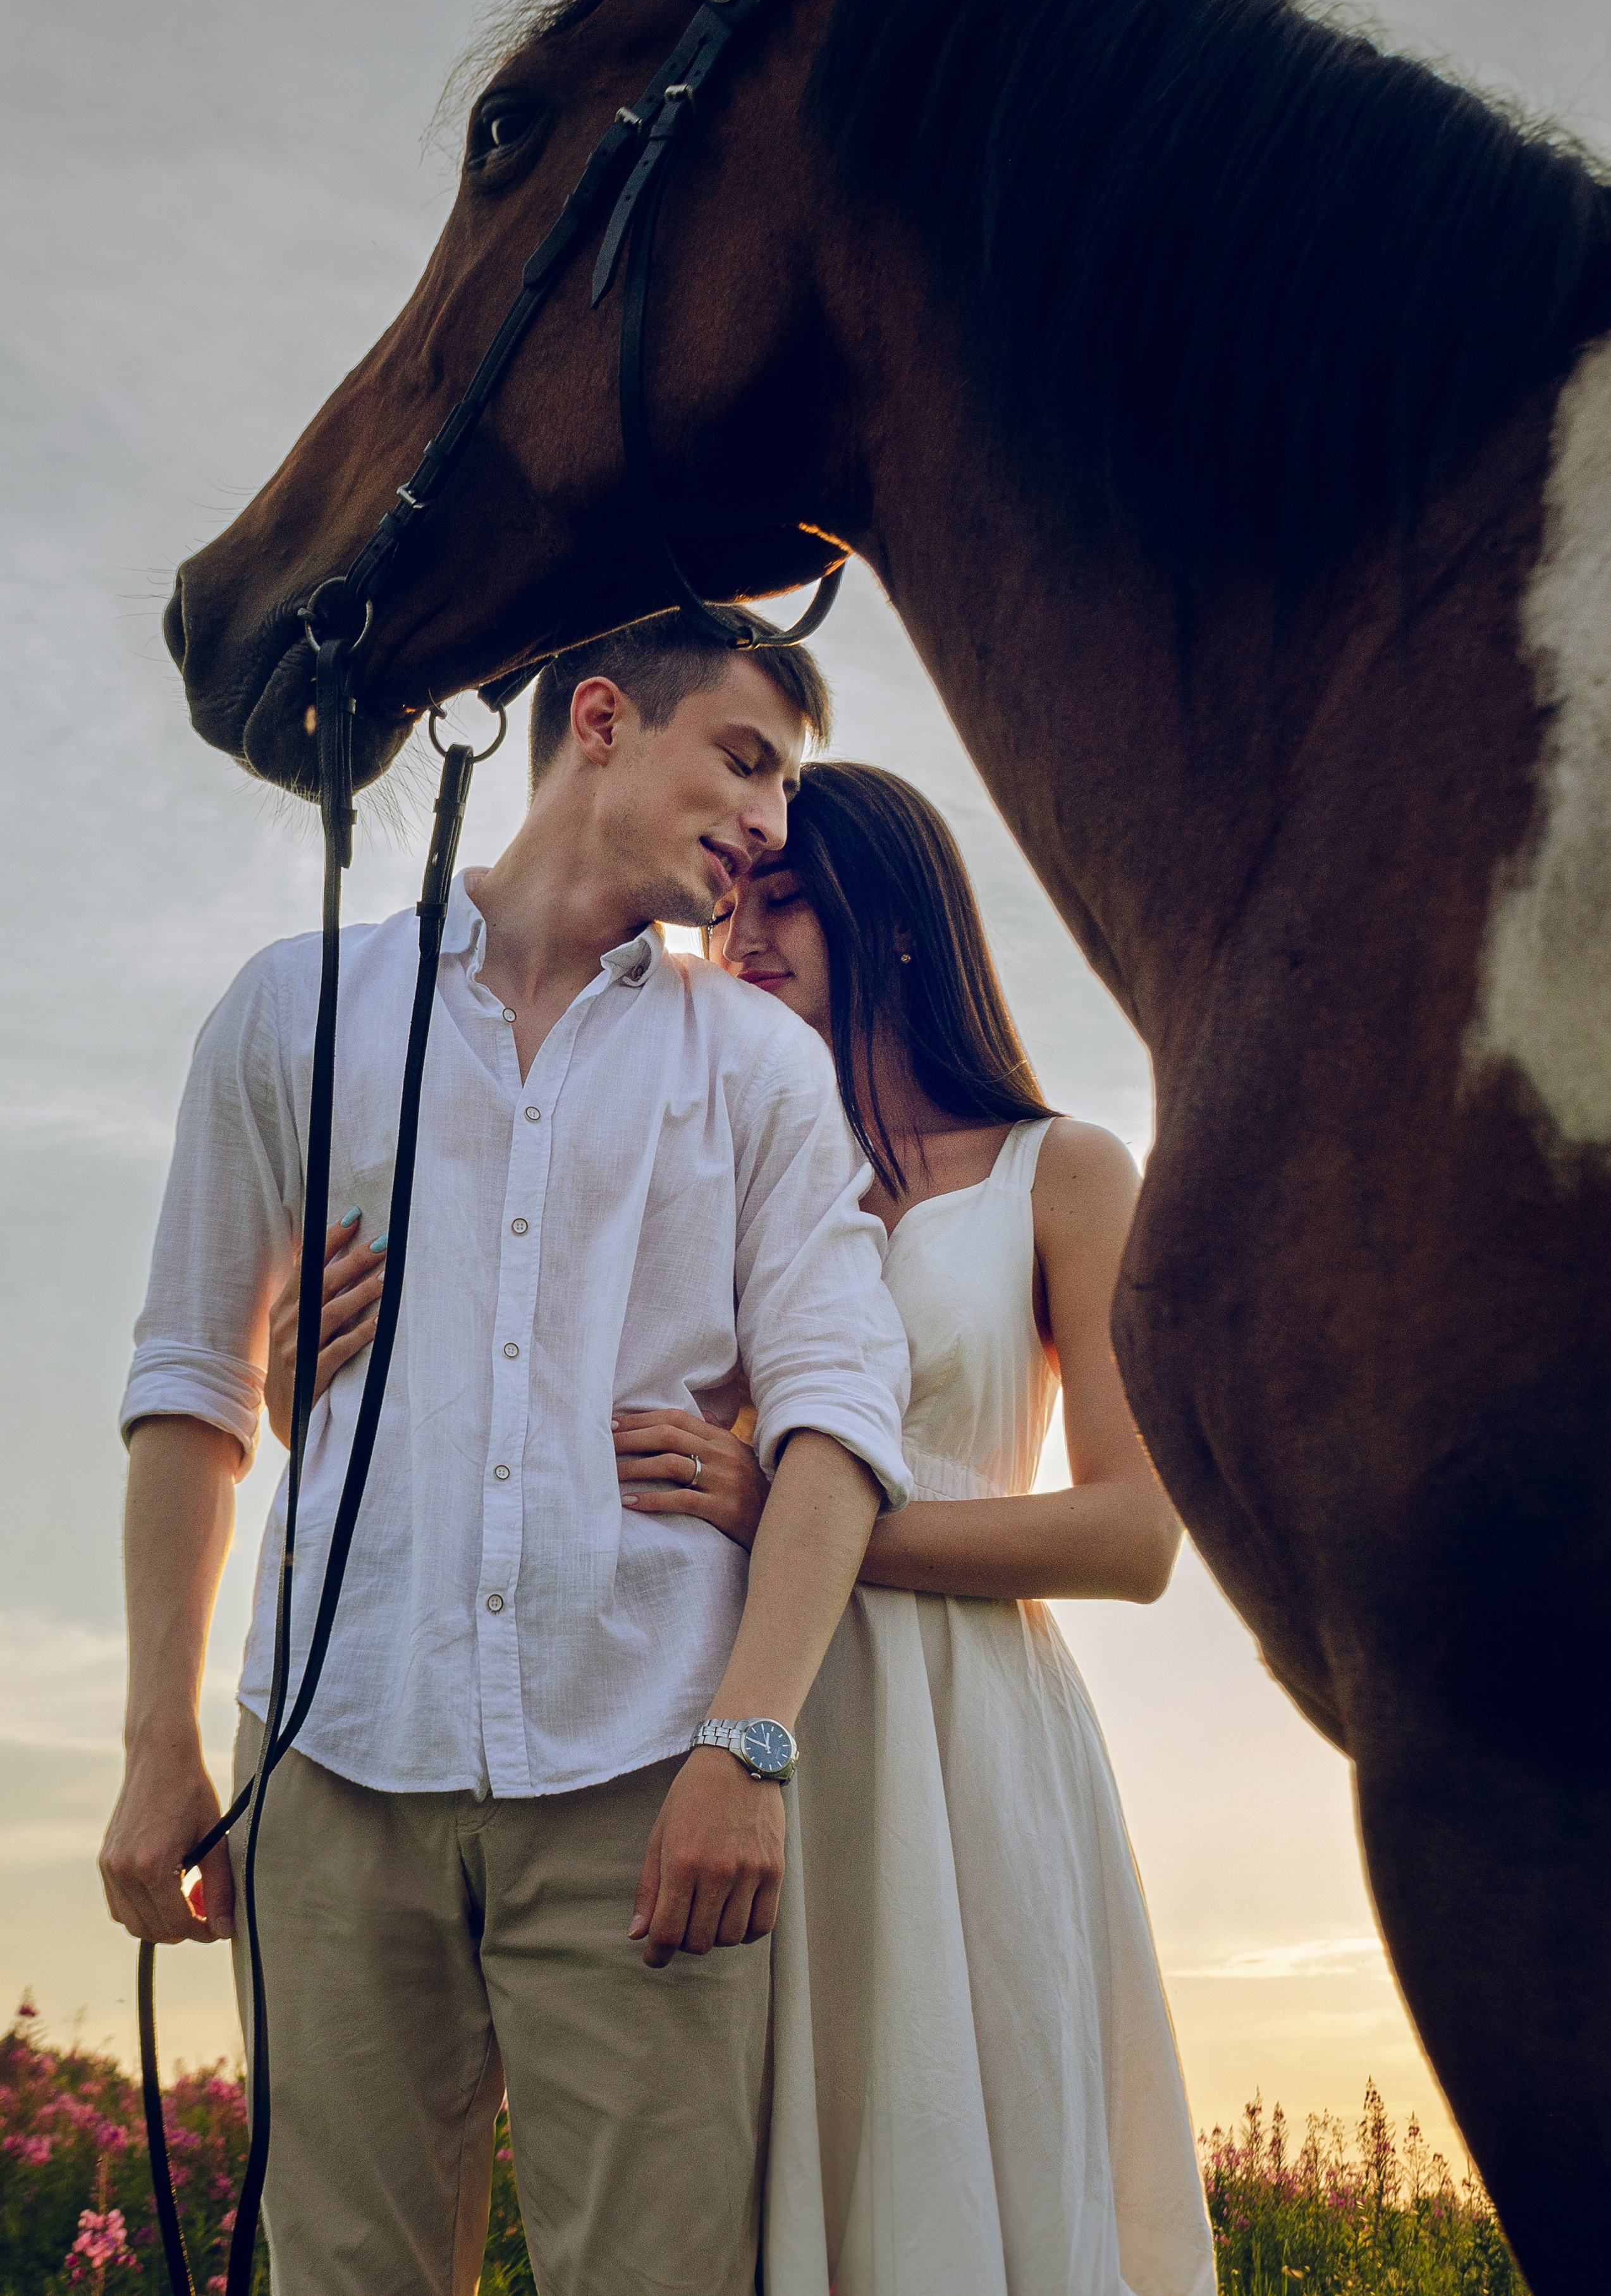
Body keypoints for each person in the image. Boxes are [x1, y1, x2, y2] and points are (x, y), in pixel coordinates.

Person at [297, 759, 1220, 2294]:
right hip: (705, 1721)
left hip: (956, 1738)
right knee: (716, 2194)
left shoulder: (1058, 1170)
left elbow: (1133, 1536)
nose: (747, 934)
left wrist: (789, 1505)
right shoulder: (698, 1159)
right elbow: (517, 1415)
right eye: (733, 904)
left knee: (956, 2160)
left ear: (898, 922)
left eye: (790, 900)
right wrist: (306, 1381)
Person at [98, 618, 913, 2296]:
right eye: (746, 761)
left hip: (647, 1786)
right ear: (599, 720)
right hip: (328, 1763)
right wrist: (157, 1739)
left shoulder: (757, 1064)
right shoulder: (296, 1003)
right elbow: (192, 1376)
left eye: (789, 790)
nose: (770, 826)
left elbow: (840, 1421)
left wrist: (744, 1746)